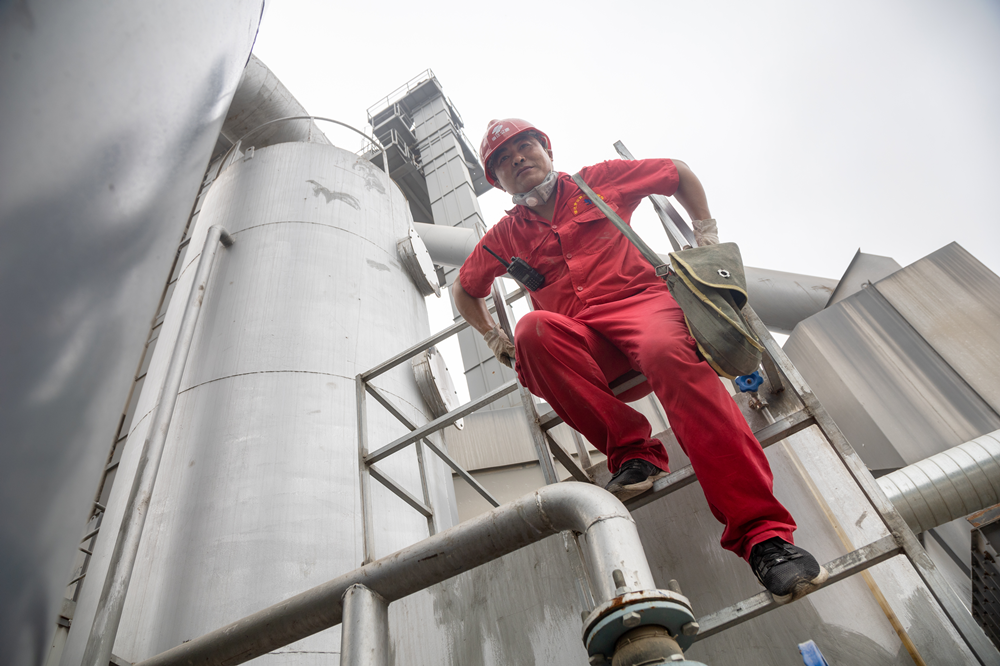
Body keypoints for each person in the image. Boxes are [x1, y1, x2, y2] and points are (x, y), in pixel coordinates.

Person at [453, 118, 828, 604]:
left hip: (644, 309)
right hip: (583, 343)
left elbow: (678, 172)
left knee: (663, 351)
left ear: (547, 150)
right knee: (531, 331)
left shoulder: (598, 181)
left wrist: (705, 234)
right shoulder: (504, 237)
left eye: (525, 146)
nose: (517, 158)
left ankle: (764, 538)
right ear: (497, 181)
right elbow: (465, 289)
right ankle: (633, 453)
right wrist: (493, 337)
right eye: (504, 160)